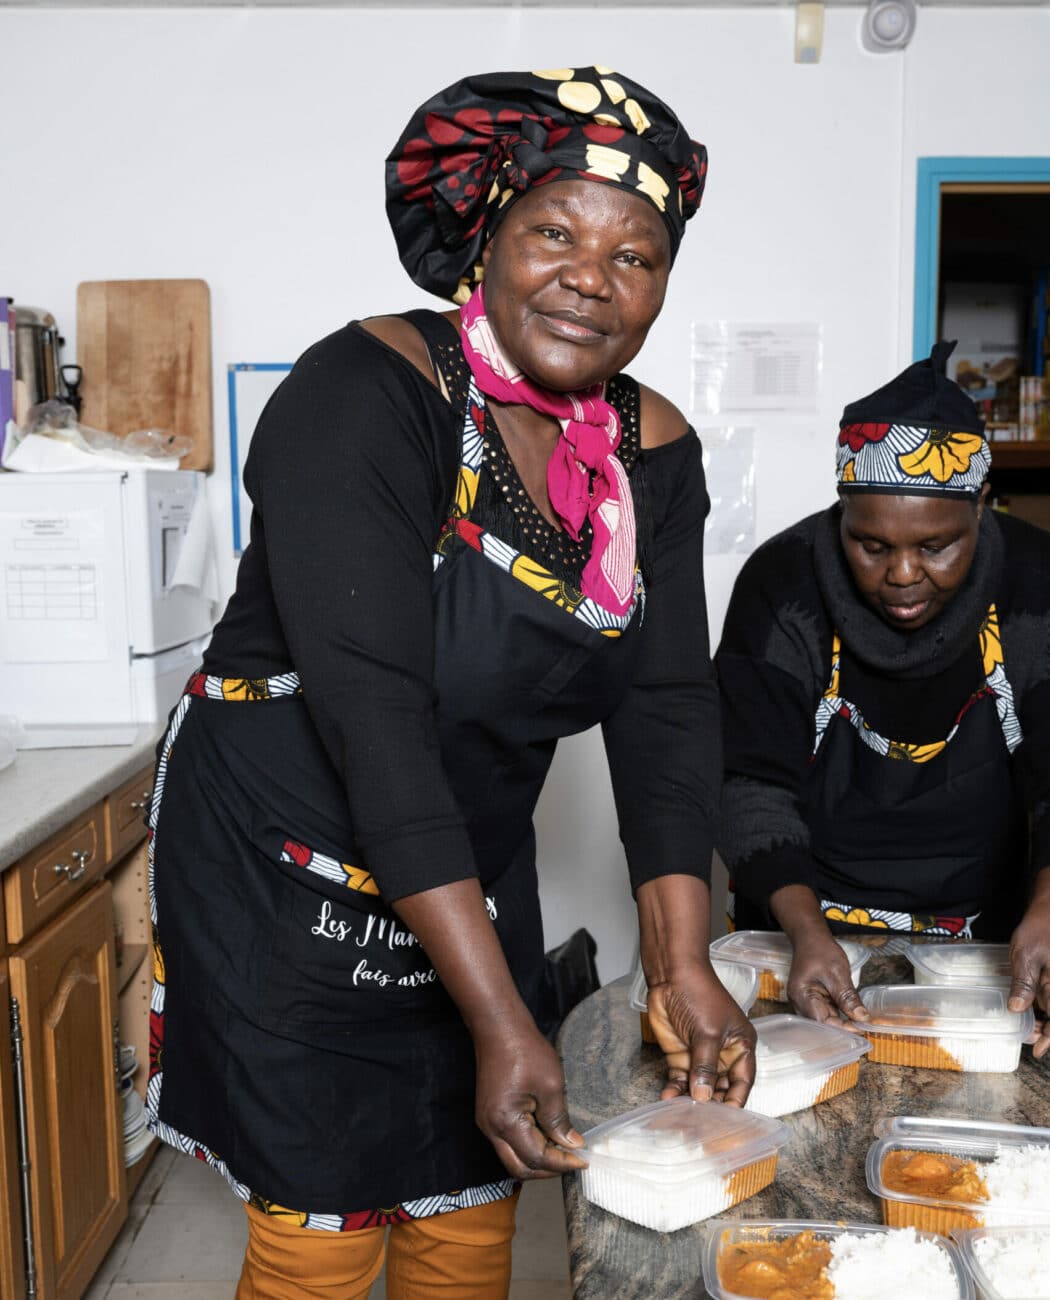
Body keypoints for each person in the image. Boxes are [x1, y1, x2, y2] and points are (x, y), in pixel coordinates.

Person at [146, 66, 755, 1300]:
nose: (594, 276)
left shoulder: (653, 453)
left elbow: (664, 706)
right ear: (487, 236)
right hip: (285, 850)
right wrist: (499, 1017)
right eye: (554, 232)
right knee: (322, 1221)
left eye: (637, 255)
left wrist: (681, 958)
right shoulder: (366, 395)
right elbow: (374, 723)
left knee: (476, 1188)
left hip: (461, 849)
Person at [716, 340, 1050, 1055]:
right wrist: (805, 933)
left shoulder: (1032, 583)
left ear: (983, 507)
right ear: (841, 510)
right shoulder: (783, 584)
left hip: (981, 939)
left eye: (936, 547)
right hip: (800, 925)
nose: (902, 575)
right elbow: (749, 784)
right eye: (870, 545)